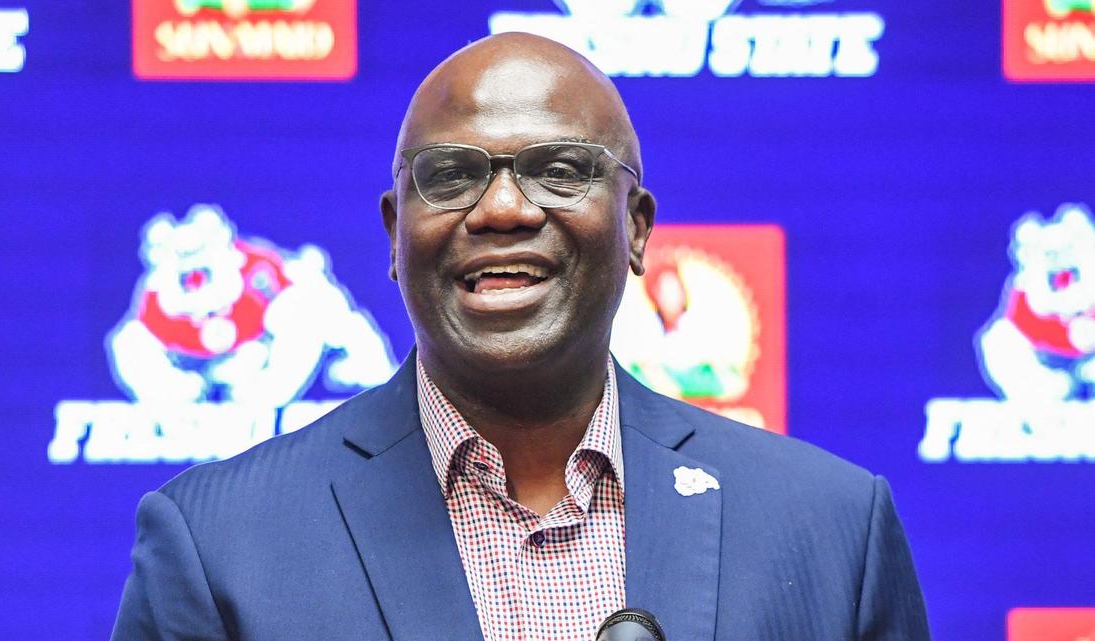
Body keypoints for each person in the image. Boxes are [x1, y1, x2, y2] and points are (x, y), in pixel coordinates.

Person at [110, 33, 931, 641]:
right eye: (451, 175)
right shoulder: (219, 543)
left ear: (637, 229)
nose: (502, 209)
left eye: (560, 170)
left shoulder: (829, 530)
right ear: (396, 235)